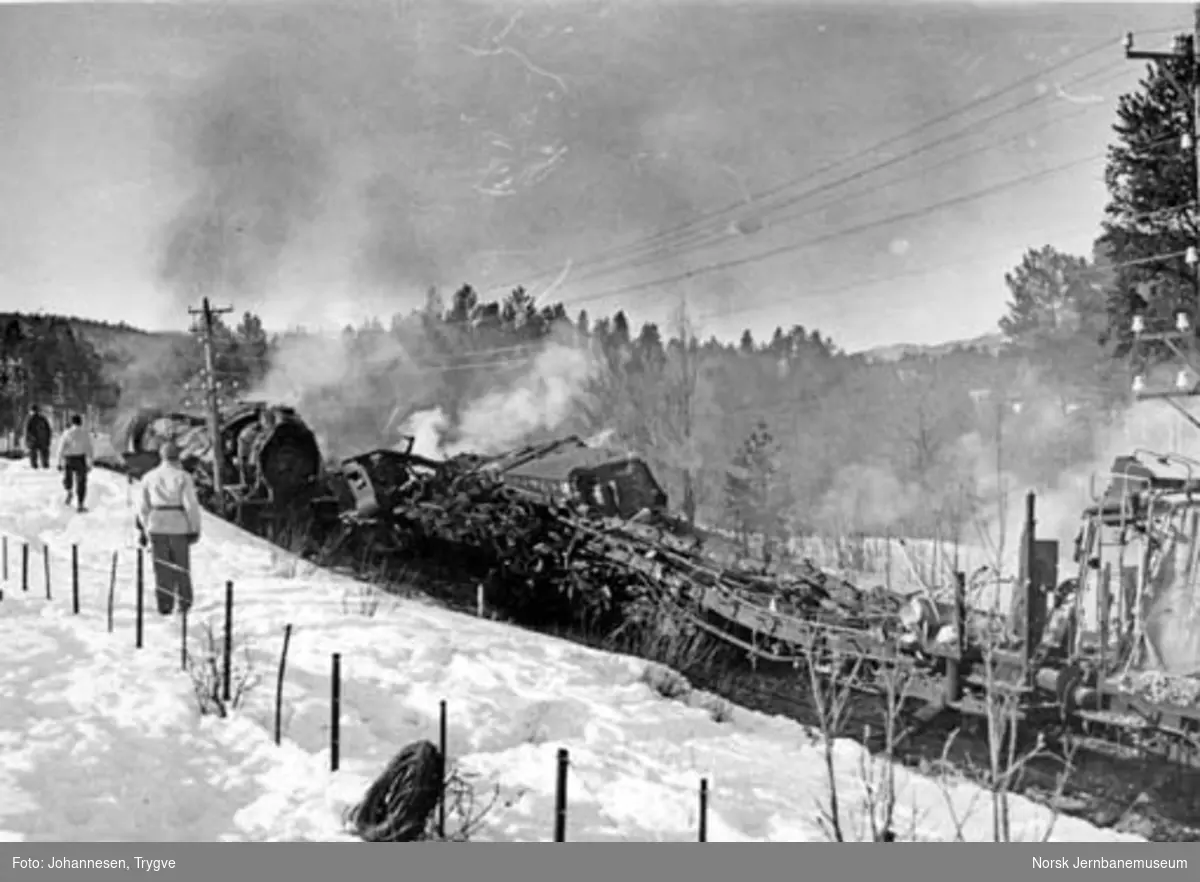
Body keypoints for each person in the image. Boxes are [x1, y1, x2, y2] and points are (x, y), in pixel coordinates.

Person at [135, 440, 203, 617]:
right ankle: (184, 604)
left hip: (156, 525)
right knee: (181, 566)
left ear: (161, 456)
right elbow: (191, 505)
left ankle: (165, 605)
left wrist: (145, 527)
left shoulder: (149, 477)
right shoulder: (183, 477)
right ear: (177, 456)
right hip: (179, 526)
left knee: (162, 567)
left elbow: (142, 507)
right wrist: (194, 528)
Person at [57, 414, 94, 511]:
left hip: (68, 459)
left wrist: (59, 462)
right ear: (80, 422)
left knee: (68, 478)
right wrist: (90, 463)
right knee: (81, 482)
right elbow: (89, 449)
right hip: (80, 459)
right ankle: (80, 504)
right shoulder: (85, 434)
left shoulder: (67, 433)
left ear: (72, 422)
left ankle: (69, 491)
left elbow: (61, 448)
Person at [23, 405, 51, 469]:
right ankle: (45, 464)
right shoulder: (43, 418)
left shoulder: (29, 419)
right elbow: (48, 430)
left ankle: (34, 465)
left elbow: (27, 431)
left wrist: (27, 441)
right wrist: (48, 440)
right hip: (42, 440)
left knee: (33, 453)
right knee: (44, 453)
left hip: (33, 440)